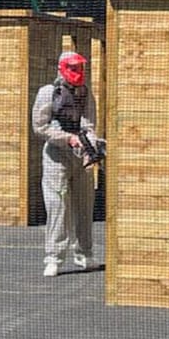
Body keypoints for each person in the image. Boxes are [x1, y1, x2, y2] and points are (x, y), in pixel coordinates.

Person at [32, 51, 98, 277]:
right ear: (62, 69)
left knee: (85, 203)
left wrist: (89, 147)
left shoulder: (86, 93)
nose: (78, 73)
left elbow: (89, 125)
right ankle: (54, 257)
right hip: (56, 155)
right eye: (73, 68)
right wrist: (66, 138)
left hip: (80, 154)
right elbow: (39, 127)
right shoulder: (48, 93)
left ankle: (85, 253)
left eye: (81, 68)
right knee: (57, 205)